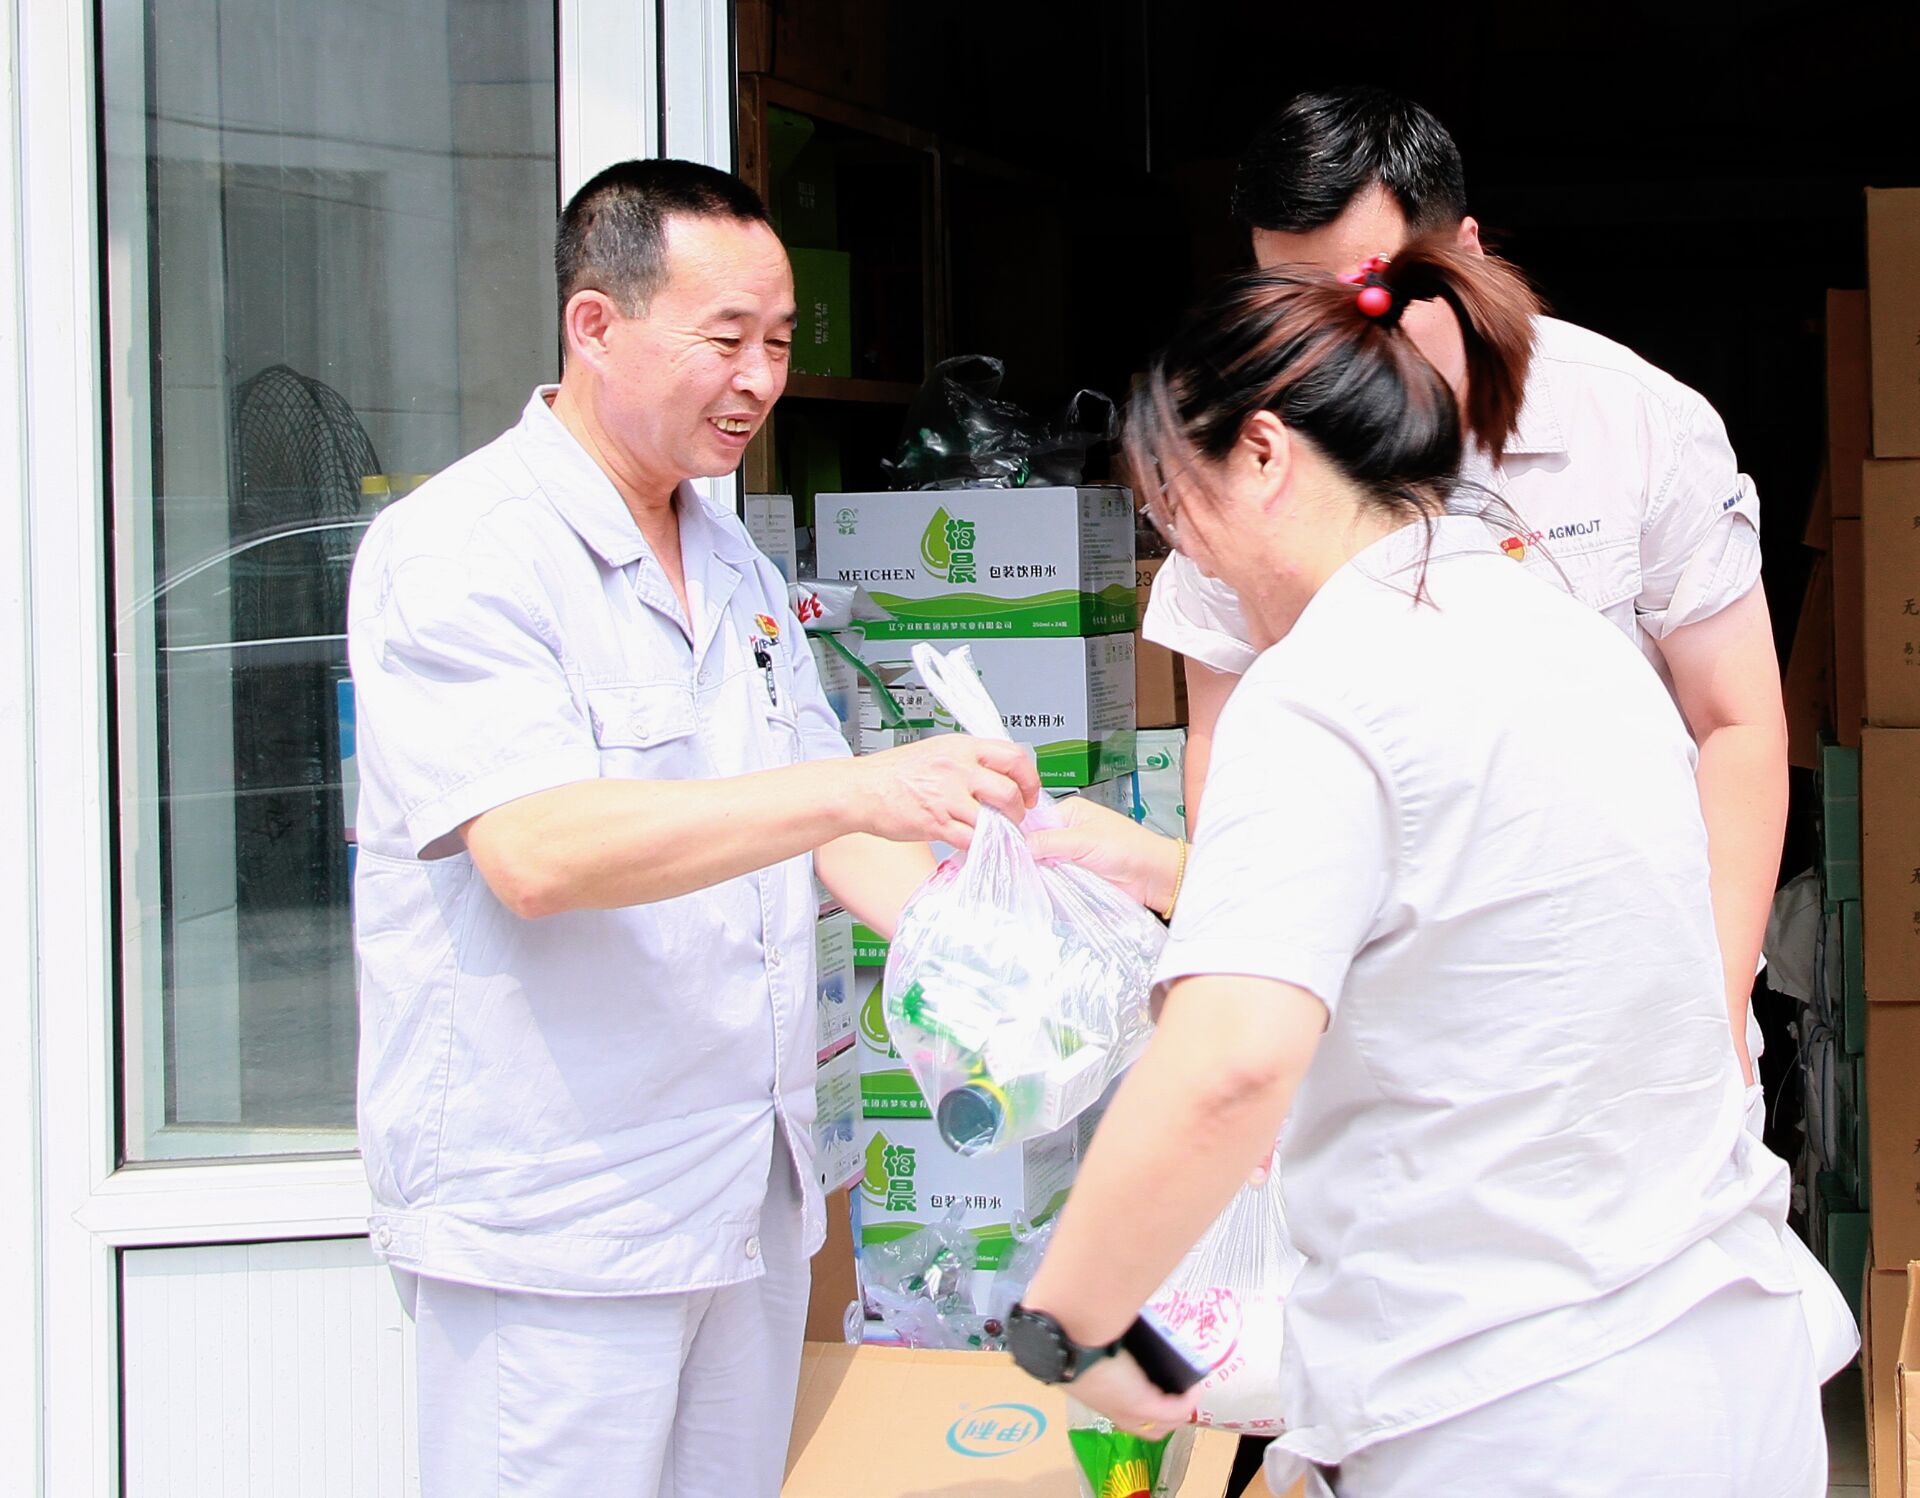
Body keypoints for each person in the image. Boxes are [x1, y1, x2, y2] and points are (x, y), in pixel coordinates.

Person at [1004, 242, 1825, 1496]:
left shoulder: (1324, 688)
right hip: (1730, 1361)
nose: (1187, 557)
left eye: (1174, 507)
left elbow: (1230, 1063)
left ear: (1264, 454)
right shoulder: (1567, 636)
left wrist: (1071, 1319)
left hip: (1526, 1413)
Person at [345, 159, 1037, 1498]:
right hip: (561, 1214)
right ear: (594, 326)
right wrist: (856, 792)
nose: (760, 379)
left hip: (744, 1186)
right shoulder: (467, 552)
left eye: (779, 342)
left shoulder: (732, 558)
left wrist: (1004, 945)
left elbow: (831, 817)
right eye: (726, 340)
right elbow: (538, 852)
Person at [1146, 87, 1786, 1093]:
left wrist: (1710, 1008)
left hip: (1630, 1015)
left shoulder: (1633, 422)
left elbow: (1735, 725)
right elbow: (1225, 744)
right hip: (1383, 1036)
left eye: (1364, 295)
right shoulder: (1245, 449)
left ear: (1465, 255)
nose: (1324, 348)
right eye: (1287, 304)